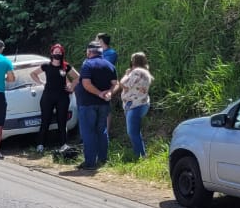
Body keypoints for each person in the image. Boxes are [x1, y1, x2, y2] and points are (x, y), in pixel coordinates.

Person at [75, 42, 120, 170]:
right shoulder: (109, 65)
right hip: (104, 104)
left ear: (89, 52)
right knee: (102, 131)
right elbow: (116, 83)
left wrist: (99, 93)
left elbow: (86, 84)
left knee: (88, 132)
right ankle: (102, 159)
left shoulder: (87, 64)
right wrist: (109, 92)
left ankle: (90, 162)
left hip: (88, 104)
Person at [30, 44, 79, 153]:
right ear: (52, 53)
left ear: (62, 54)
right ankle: (40, 145)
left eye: (59, 52)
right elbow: (33, 74)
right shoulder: (46, 65)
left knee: (62, 121)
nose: (58, 54)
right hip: (48, 96)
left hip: (62, 96)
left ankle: (63, 144)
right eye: (56, 52)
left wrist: (71, 86)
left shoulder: (66, 66)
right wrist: (41, 82)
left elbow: (77, 77)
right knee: (45, 120)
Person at [120, 52, 153, 159]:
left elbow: (123, 84)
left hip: (135, 105)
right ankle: (140, 154)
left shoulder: (137, 72)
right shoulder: (145, 72)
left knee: (132, 132)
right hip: (141, 103)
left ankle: (140, 155)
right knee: (135, 131)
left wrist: (126, 74)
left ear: (133, 61)